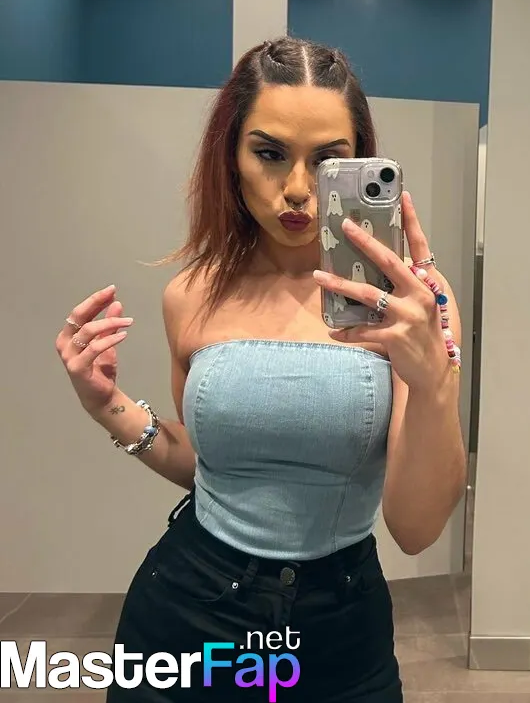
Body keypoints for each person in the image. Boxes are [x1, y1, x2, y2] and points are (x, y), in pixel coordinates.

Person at [54, 36, 467, 702]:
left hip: (339, 630)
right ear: (232, 157)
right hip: (186, 612)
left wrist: (432, 380)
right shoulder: (192, 294)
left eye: (326, 160)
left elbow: (416, 530)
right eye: (270, 153)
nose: (298, 189)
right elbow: (210, 468)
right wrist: (106, 406)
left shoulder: (413, 304)